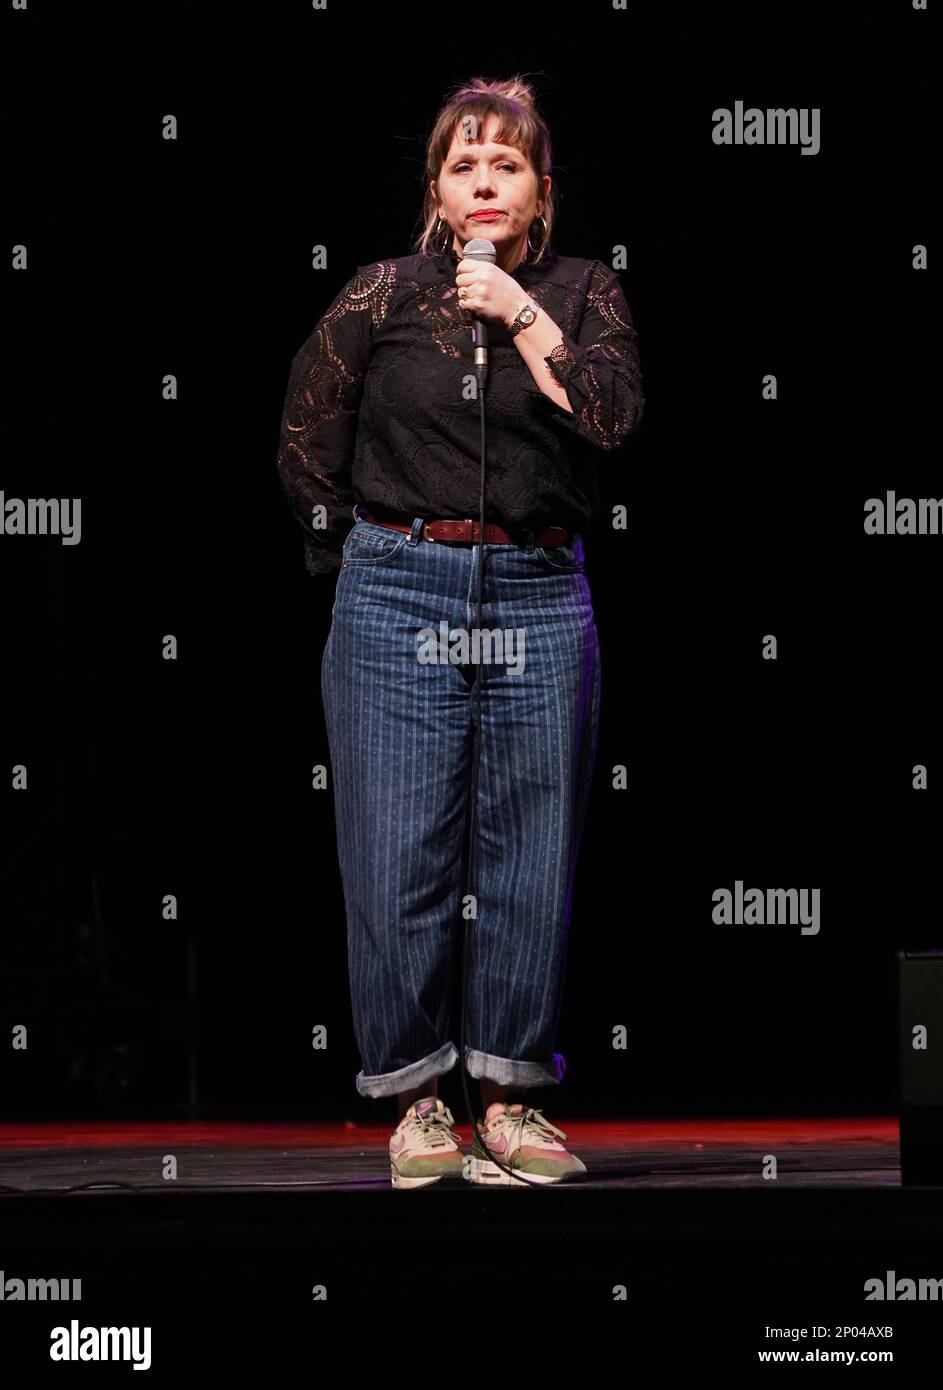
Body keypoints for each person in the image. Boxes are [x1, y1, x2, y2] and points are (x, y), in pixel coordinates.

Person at [275, 75, 644, 1188]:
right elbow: (306, 436)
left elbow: (613, 419)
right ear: (436, 193)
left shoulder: (583, 294)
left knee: (528, 855)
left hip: (537, 591)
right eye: (462, 164)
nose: (484, 182)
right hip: (398, 588)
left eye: (508, 165)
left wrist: (521, 315)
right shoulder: (381, 294)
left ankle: (513, 1100)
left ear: (539, 196)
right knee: (397, 857)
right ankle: (419, 1102)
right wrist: (356, 566)